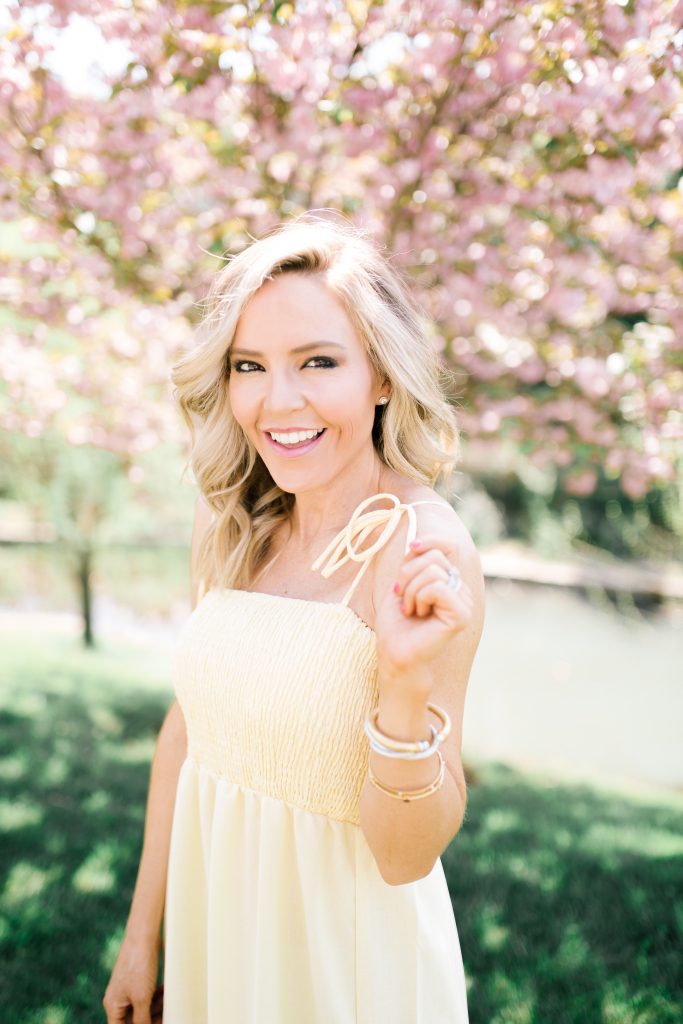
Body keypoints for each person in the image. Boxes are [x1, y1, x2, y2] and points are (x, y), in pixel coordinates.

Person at [103, 213, 485, 1023]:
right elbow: (187, 731)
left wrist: (406, 682)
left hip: (343, 966)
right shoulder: (235, 521)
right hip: (220, 939)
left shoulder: (421, 549)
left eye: (318, 361)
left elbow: (404, 855)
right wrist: (143, 936)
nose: (278, 400)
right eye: (250, 365)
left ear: (381, 376)